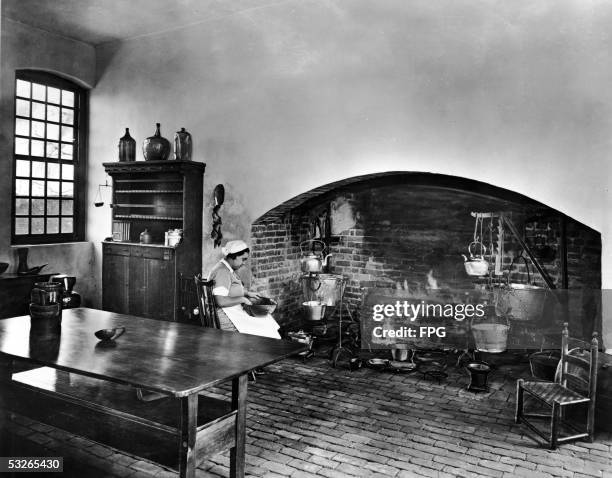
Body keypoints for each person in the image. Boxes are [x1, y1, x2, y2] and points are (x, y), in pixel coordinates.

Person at [207, 240, 281, 339]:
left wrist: (247, 293)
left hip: (231, 311)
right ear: (234, 256)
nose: (244, 263)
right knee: (264, 325)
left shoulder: (225, 268)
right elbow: (221, 301)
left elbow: (230, 289)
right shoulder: (222, 272)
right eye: (243, 259)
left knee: (266, 321)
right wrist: (242, 299)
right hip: (225, 316)